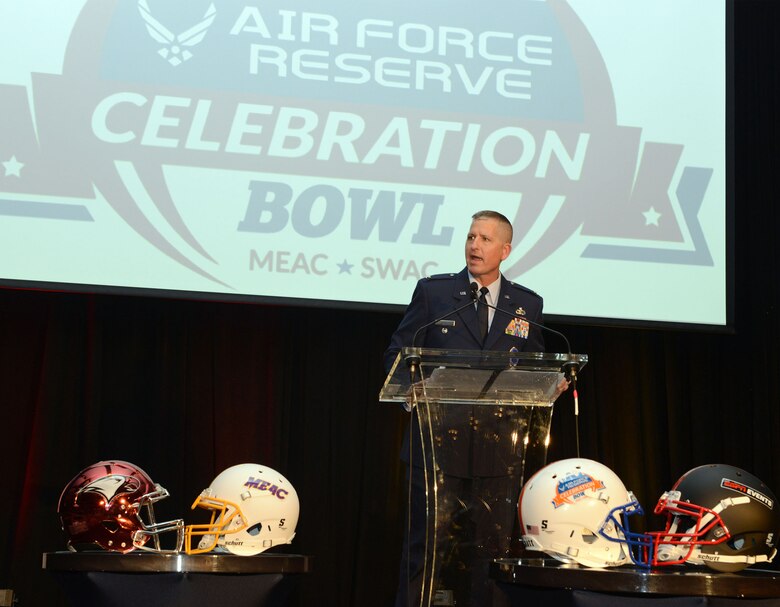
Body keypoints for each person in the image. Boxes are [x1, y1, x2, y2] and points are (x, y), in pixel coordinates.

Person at [384, 210, 549, 607]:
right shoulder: (435, 293)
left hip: (497, 449)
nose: (475, 245)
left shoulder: (526, 304)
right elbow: (398, 353)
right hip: (436, 445)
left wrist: (549, 383)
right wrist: (410, 388)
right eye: (471, 236)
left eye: (485, 239)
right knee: (424, 549)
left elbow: (536, 365)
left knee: (489, 555)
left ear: (505, 250)